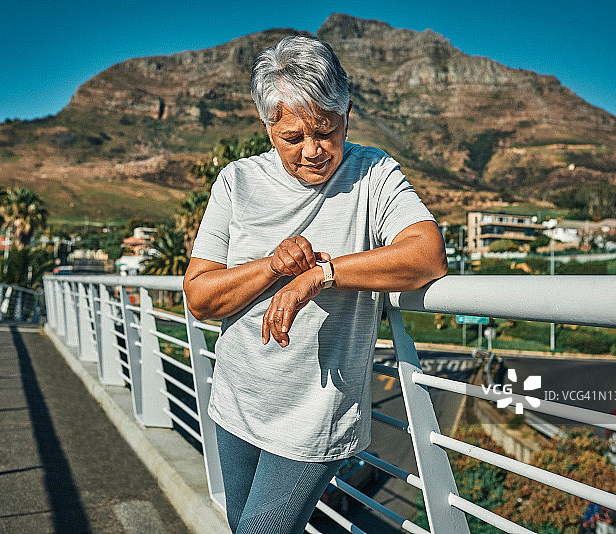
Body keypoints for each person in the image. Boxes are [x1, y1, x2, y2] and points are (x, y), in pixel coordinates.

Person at [183, 34, 447, 534]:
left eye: (326, 131)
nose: (313, 151)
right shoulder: (236, 182)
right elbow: (199, 297)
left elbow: (427, 255)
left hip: (314, 418)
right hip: (236, 404)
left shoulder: (373, 173)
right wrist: (273, 266)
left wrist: (321, 275)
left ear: (346, 112)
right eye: (292, 138)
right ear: (268, 126)